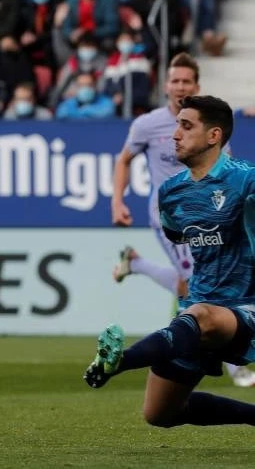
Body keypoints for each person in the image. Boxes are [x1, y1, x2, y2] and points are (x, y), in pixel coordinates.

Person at [84, 95, 255, 427]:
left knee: (202, 316)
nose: (175, 135)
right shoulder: (171, 194)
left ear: (214, 135)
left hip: (245, 307)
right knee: (160, 413)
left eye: (186, 126)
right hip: (202, 303)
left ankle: (120, 361)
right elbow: (178, 236)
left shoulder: (246, 179)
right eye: (177, 125)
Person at [110, 53, 255, 387]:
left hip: (210, 216)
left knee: (191, 281)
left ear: (196, 86)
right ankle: (232, 363)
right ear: (165, 86)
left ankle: (136, 264)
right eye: (175, 81)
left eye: (186, 81)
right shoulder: (147, 124)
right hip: (172, 215)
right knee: (193, 280)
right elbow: (124, 160)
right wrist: (117, 201)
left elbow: (226, 175)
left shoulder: (208, 127)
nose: (180, 86)